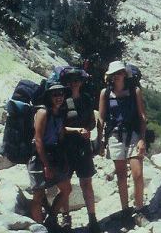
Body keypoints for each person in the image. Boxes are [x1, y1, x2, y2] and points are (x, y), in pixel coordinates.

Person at [98, 60, 148, 226]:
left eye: (121, 72)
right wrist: (100, 141)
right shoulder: (105, 93)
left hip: (133, 134)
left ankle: (139, 209)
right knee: (120, 176)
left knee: (137, 174)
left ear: (125, 74)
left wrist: (142, 138)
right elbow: (101, 118)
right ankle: (126, 210)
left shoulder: (135, 91)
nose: (118, 75)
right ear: (111, 76)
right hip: (115, 136)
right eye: (115, 73)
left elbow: (142, 117)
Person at [61, 68, 100, 233]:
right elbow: (58, 127)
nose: (75, 82)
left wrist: (89, 128)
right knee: (65, 185)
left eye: (77, 79)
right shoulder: (61, 100)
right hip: (66, 148)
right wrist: (77, 130)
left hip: (83, 147)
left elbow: (92, 121)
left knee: (86, 183)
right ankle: (66, 218)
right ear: (67, 82)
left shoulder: (86, 99)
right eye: (72, 79)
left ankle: (92, 218)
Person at [28, 83, 72, 231]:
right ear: (49, 96)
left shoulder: (59, 112)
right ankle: (40, 228)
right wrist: (46, 164)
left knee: (66, 188)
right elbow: (38, 139)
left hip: (54, 154)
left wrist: (63, 158)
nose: (59, 97)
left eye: (61, 94)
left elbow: (59, 137)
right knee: (39, 194)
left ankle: (51, 219)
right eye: (55, 94)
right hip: (39, 157)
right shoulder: (43, 112)